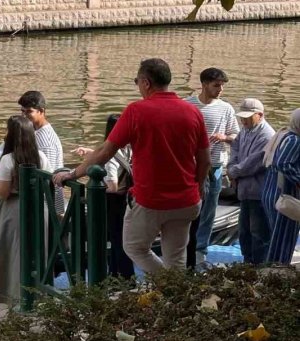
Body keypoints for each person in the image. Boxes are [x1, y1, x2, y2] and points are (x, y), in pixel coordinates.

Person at [53, 58, 209, 274]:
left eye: (137, 81)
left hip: (150, 200)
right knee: (176, 258)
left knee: (134, 247)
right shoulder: (192, 112)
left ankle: (170, 285)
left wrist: (73, 173)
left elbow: (105, 151)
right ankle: (175, 292)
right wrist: (199, 187)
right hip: (187, 200)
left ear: (145, 82)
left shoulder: (136, 111)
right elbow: (205, 159)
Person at [0, 115, 49, 304]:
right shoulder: (41, 157)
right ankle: (36, 294)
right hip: (38, 209)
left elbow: (1, 193)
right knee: (35, 251)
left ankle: (11, 296)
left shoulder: (8, 160)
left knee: (12, 252)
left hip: (15, 210)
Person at [184, 68, 239, 267]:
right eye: (217, 85)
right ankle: (184, 247)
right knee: (189, 208)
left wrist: (224, 137)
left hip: (215, 166)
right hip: (191, 166)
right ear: (204, 84)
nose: (221, 89)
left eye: (222, 85)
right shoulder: (187, 105)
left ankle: (201, 250)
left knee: (209, 210)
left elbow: (236, 136)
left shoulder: (226, 109)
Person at [73, 115, 135, 278]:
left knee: (116, 241)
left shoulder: (110, 157)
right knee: (120, 239)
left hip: (113, 201)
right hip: (126, 199)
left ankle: (125, 277)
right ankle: (116, 274)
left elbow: (112, 185)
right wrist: (91, 152)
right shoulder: (128, 148)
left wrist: (93, 189)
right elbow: (118, 161)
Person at [226, 98, 275, 265]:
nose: (243, 120)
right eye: (242, 117)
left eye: (247, 117)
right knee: (244, 231)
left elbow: (253, 163)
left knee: (259, 232)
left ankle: (259, 266)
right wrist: (231, 167)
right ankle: (247, 262)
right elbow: (235, 148)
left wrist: (233, 171)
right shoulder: (245, 130)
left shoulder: (268, 135)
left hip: (258, 192)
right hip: (245, 190)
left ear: (259, 115)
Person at [261, 108, 300, 264]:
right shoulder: (295, 140)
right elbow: (283, 164)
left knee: (276, 236)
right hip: (285, 197)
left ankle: (274, 268)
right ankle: (278, 270)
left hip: (272, 193)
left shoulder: (284, 135)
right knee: (284, 237)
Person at [18, 91, 65, 216]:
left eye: (29, 112)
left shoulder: (45, 140)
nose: (24, 115)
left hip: (48, 201)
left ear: (41, 111)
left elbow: (47, 174)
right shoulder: (35, 131)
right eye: (22, 111)